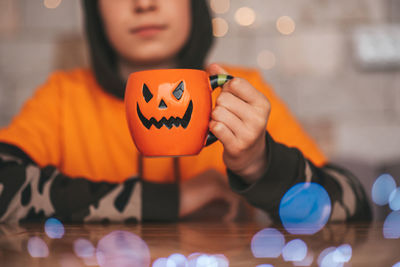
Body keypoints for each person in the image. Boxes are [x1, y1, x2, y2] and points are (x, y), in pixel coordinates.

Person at [0, 0, 371, 223]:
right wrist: (175, 198)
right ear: (95, 11)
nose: (144, 3)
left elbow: (349, 207)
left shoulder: (238, 92)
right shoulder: (64, 98)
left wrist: (261, 164)